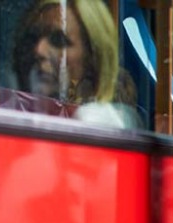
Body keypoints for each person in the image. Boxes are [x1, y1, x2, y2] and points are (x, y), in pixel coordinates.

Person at [11, 0, 139, 127]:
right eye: (32, 38)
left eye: (59, 40)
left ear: (92, 58)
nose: (39, 50)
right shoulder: (14, 110)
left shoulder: (96, 123)